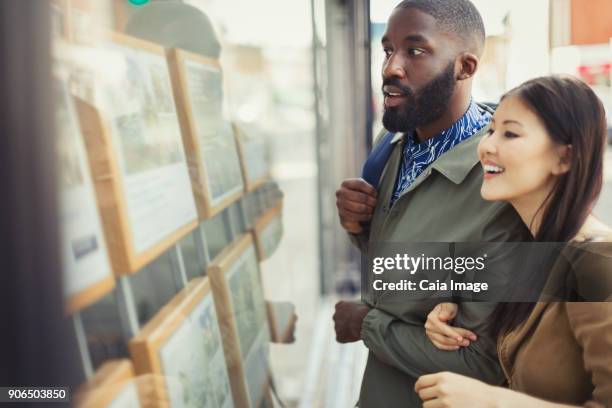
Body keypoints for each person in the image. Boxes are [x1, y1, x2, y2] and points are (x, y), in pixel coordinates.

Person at [333, 0, 530, 406]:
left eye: (415, 51)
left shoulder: (502, 179)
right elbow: (403, 269)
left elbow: (484, 361)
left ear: (466, 67)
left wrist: (366, 324)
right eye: (388, 49)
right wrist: (361, 227)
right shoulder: (390, 145)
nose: (390, 68)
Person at [417, 75, 612, 407]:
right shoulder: (536, 246)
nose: (487, 145)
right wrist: (453, 312)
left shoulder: (596, 262)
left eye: (510, 133)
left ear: (565, 158)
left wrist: (491, 401)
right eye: (491, 130)